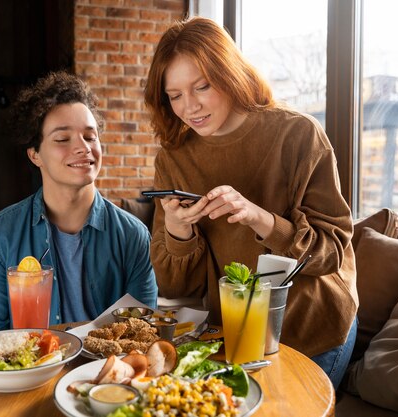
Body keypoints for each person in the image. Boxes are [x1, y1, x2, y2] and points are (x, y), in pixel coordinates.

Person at [144, 17, 357, 389]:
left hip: (312, 327)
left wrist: (261, 220)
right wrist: (177, 232)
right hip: (231, 332)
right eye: (175, 96)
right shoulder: (173, 159)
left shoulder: (298, 134)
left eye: (202, 87)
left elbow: (333, 251)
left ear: (229, 74)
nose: (189, 107)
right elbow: (175, 288)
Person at [0, 71, 157, 336]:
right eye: (62, 139)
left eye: (90, 137)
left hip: (107, 375)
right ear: (35, 155)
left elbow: (142, 335)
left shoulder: (133, 236)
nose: (83, 148)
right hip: (30, 376)